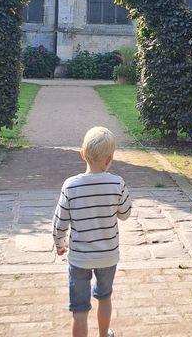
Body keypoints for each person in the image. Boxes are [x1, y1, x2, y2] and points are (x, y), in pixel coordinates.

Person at [52, 126, 132, 337]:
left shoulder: (70, 186)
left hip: (79, 257)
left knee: (79, 310)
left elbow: (60, 221)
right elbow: (125, 214)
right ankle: (104, 334)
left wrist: (60, 244)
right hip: (108, 255)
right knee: (104, 297)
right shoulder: (117, 183)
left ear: (82, 154)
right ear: (109, 159)